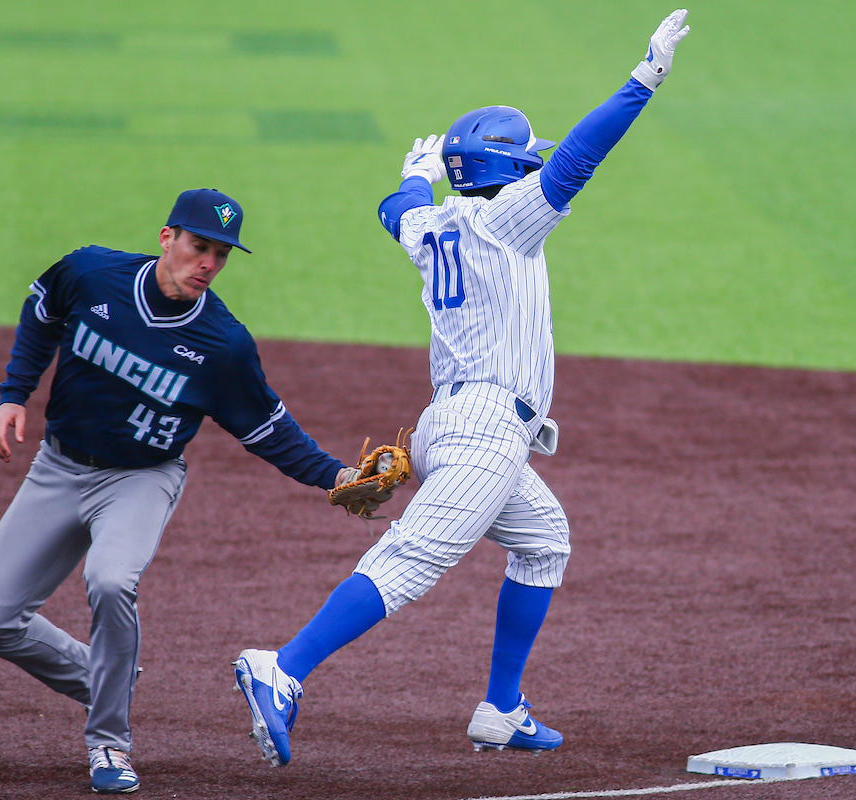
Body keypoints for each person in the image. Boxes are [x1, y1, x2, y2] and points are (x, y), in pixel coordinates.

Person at [233, 10, 691, 766]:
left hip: (448, 425)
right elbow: (581, 156)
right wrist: (645, 78)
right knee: (412, 559)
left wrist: (416, 174)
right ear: (508, 171)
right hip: (481, 429)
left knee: (543, 542)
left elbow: (396, 210)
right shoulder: (512, 218)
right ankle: (281, 669)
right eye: (525, 160)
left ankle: (501, 709)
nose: (536, 169)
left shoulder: (434, 222)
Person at [0, 188, 359, 794]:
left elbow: (268, 430)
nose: (209, 264)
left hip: (142, 478)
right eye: (200, 247)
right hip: (58, 467)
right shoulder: (92, 273)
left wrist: (336, 476)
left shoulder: (222, 345)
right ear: (166, 238)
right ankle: (111, 674)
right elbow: (41, 313)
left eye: (222, 255)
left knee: (112, 579)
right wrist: (13, 394)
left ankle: (109, 745)